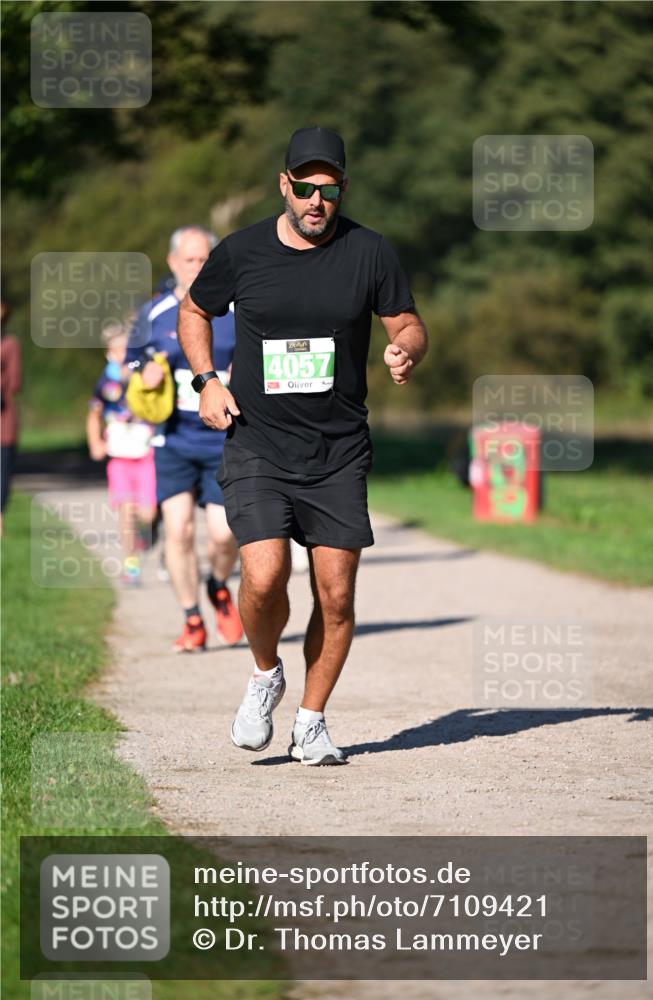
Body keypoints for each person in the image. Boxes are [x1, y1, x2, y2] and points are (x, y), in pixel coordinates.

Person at [178, 126, 428, 764]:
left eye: (330, 189)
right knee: (263, 577)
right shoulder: (242, 251)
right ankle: (266, 673)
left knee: (336, 595)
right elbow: (195, 310)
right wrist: (207, 380)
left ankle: (311, 721)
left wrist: (406, 348)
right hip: (257, 442)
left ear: (343, 189)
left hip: (337, 450)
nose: (318, 200)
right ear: (284, 186)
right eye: (306, 188)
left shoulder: (369, 252)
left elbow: (407, 321)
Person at [126, 226, 243, 652]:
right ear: (172, 262)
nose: (196, 267)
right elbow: (129, 360)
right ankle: (192, 618)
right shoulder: (154, 312)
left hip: (223, 438)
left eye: (203, 259)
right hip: (172, 439)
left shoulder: (234, 309)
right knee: (177, 531)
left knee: (223, 535)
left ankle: (218, 585)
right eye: (189, 260)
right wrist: (142, 370)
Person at [87, 322, 157, 585]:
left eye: (125, 350)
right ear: (108, 352)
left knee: (148, 513)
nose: (120, 355)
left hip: (146, 451)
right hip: (119, 455)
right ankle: (131, 564)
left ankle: (148, 532)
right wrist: (95, 442)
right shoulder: (105, 381)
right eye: (115, 350)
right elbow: (94, 414)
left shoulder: (144, 375)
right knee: (126, 511)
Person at [1, 297, 21, 534]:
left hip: (4, 416)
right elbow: (15, 383)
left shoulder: (9, 344)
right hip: (4, 420)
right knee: (3, 471)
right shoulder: (10, 344)